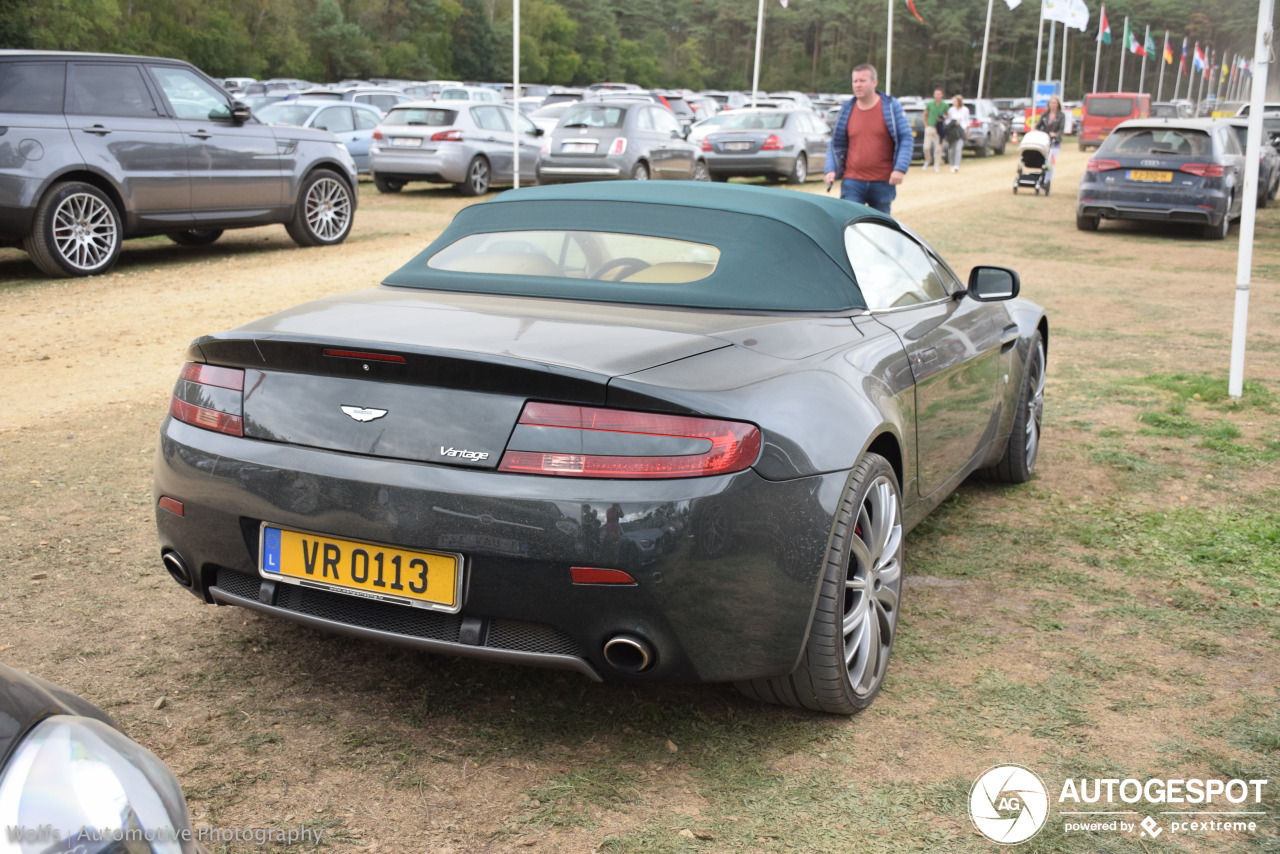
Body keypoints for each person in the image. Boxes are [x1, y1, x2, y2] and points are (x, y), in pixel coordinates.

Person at [823, 64, 913, 214]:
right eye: (855, 81)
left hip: (882, 182)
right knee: (849, 225)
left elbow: (906, 138)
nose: (858, 85)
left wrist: (899, 169)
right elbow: (835, 143)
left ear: (874, 82)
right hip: (852, 181)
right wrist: (830, 169)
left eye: (862, 81)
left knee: (880, 230)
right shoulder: (847, 109)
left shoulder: (890, 107)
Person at [1036, 96, 1066, 188]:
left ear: (1058, 105)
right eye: (1051, 103)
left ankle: (1047, 181)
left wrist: (1055, 135)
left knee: (1049, 163)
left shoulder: (1061, 116)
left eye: (1055, 103)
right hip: (1044, 142)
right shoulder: (1044, 114)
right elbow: (1038, 125)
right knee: (1042, 162)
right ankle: (1040, 179)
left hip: (1054, 143)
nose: (1053, 105)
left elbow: (1061, 129)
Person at [944, 95, 971, 173]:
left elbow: (967, 121)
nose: (953, 103)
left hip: (961, 131)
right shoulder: (951, 110)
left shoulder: (965, 110)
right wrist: (952, 123)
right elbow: (947, 120)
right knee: (952, 149)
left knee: (958, 149)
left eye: (955, 101)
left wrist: (968, 131)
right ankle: (952, 164)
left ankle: (956, 165)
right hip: (952, 132)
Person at [923, 88, 947, 173]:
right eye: (936, 94)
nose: (937, 96)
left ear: (941, 95)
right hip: (930, 126)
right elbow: (925, 115)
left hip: (939, 128)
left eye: (939, 94)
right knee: (926, 147)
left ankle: (936, 165)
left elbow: (947, 115)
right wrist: (926, 125)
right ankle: (928, 160)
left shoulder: (944, 105)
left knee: (938, 148)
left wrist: (943, 119)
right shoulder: (930, 104)